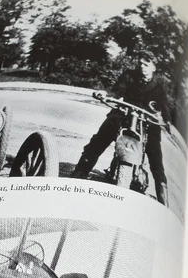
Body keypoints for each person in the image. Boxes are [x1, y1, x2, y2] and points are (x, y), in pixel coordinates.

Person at [71, 61, 171, 206]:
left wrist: (167, 120)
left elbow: (164, 106)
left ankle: (163, 203)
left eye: (147, 64)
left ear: (154, 67)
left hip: (147, 121)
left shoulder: (160, 85)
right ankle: (78, 175)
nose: (142, 66)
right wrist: (106, 93)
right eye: (141, 63)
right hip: (124, 114)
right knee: (99, 140)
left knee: (156, 158)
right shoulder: (129, 75)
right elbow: (117, 91)